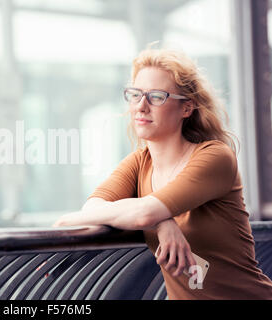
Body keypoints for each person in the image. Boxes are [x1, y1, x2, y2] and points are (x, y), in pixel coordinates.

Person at [52, 48, 272, 299]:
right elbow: (91, 210)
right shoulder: (138, 162)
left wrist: (150, 216)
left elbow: (144, 213)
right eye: (135, 95)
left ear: (186, 108)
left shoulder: (215, 157)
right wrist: (161, 222)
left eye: (156, 96)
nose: (141, 106)